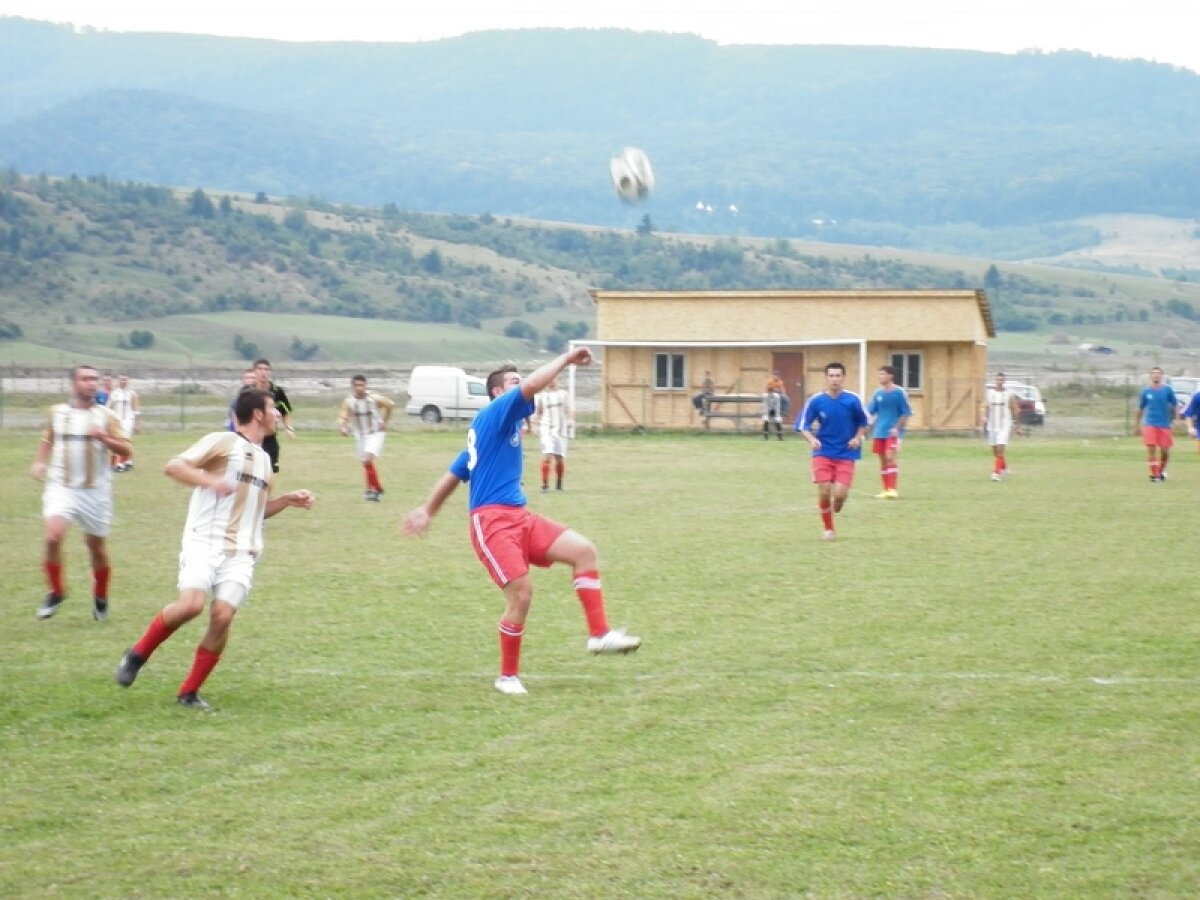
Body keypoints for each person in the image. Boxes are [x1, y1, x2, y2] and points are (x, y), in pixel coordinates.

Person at [402, 347, 641, 696]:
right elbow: (531, 384)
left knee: (584, 552)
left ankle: (599, 635)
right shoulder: (496, 411)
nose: (522, 387)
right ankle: (507, 677)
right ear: (499, 392)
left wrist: (428, 510)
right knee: (521, 595)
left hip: (520, 518)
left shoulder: (494, 430)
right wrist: (567, 358)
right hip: (492, 523)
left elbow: (455, 473)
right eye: (513, 382)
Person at [114, 389, 315, 710]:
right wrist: (210, 482)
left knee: (222, 617)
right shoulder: (223, 442)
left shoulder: (265, 461)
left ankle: (189, 692)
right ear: (258, 415)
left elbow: (256, 512)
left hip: (242, 553)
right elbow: (174, 466)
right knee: (191, 606)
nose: (278, 414)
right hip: (204, 542)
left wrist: (287, 501)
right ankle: (138, 654)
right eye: (272, 409)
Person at [29, 364, 133, 621]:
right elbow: (48, 439)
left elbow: (127, 451)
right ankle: (56, 590)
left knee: (96, 547)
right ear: (73, 383)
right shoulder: (58, 413)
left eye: (95, 379)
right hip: (61, 486)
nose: (91, 383)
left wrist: (105, 439)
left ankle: (100, 597)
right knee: (53, 537)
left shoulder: (106, 416)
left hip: (95, 491)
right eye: (85, 379)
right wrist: (40, 461)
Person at [796, 362, 869, 541]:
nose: (834, 379)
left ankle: (838, 503)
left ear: (843, 377)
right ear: (826, 378)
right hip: (823, 452)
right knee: (824, 489)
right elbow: (802, 425)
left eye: (838, 376)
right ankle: (828, 529)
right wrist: (812, 439)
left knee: (839, 495)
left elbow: (864, 422)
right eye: (831, 376)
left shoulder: (853, 399)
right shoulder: (816, 400)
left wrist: (857, 437)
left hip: (846, 453)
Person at [337, 374, 395, 501]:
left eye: (361, 385)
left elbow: (390, 405)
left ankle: (373, 491)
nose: (359, 388)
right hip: (361, 435)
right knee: (366, 463)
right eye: (356, 385)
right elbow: (343, 416)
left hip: (375, 433)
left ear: (365, 385)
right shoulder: (349, 402)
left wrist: (385, 421)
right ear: (352, 386)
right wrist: (343, 427)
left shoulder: (374, 398)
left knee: (367, 460)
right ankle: (377, 487)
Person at [867, 365, 912, 498]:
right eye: (879, 374)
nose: (880, 377)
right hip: (879, 432)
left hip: (893, 432)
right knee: (882, 460)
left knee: (890, 457)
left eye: (882, 374)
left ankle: (892, 489)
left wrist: (897, 428)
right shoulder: (878, 394)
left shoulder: (899, 392)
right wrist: (866, 424)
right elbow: (870, 411)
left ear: (890, 376)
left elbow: (906, 412)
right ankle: (885, 489)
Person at [532, 376, 574, 491]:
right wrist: (535, 425)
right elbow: (538, 412)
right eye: (548, 380)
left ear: (557, 380)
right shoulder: (541, 396)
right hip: (547, 429)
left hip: (560, 430)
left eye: (553, 379)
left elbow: (569, 409)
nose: (551, 381)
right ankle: (545, 485)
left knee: (559, 458)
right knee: (547, 455)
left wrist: (570, 419)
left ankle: (559, 484)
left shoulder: (563, 394)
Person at [1136, 366, 1177, 482]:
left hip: (1164, 425)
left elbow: (1175, 404)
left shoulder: (1167, 390)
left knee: (1165, 451)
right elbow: (1140, 408)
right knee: (1151, 448)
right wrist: (1137, 425)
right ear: (1150, 376)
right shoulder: (1146, 392)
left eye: (1158, 373)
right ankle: (1155, 475)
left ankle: (1161, 470)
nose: (1156, 375)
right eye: (1153, 373)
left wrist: (1177, 419)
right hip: (1150, 424)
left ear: (1162, 376)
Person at [253, 358, 293, 473]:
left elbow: (285, 412)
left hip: (269, 437)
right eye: (260, 369)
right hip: (252, 437)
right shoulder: (247, 391)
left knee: (268, 472)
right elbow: (239, 414)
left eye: (266, 369)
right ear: (254, 372)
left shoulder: (277, 391)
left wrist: (289, 428)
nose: (263, 372)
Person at [981, 372, 1023, 481]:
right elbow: (985, 406)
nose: (999, 382)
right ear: (995, 380)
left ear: (1004, 381)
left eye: (1001, 380)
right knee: (995, 451)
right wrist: (984, 416)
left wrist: (1018, 426)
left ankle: (996, 473)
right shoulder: (990, 393)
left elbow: (1016, 410)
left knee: (1000, 448)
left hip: (1004, 425)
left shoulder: (1009, 395)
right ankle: (1003, 468)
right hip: (992, 425)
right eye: (998, 380)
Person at [106, 373, 140, 472]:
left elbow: (136, 409)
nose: (123, 381)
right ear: (118, 380)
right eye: (121, 379)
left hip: (129, 420)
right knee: (116, 441)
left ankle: (122, 464)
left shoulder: (132, 394)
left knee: (125, 441)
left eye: (125, 379)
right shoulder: (114, 393)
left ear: (127, 381)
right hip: (117, 420)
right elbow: (108, 407)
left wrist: (137, 423)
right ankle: (116, 463)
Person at [762, 371, 785, 440]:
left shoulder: (780, 383)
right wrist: (766, 412)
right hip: (768, 405)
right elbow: (765, 404)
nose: (776, 376)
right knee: (766, 419)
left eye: (777, 375)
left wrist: (777, 413)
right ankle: (765, 436)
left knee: (778, 419)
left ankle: (780, 436)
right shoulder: (769, 383)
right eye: (775, 375)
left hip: (776, 406)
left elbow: (782, 392)